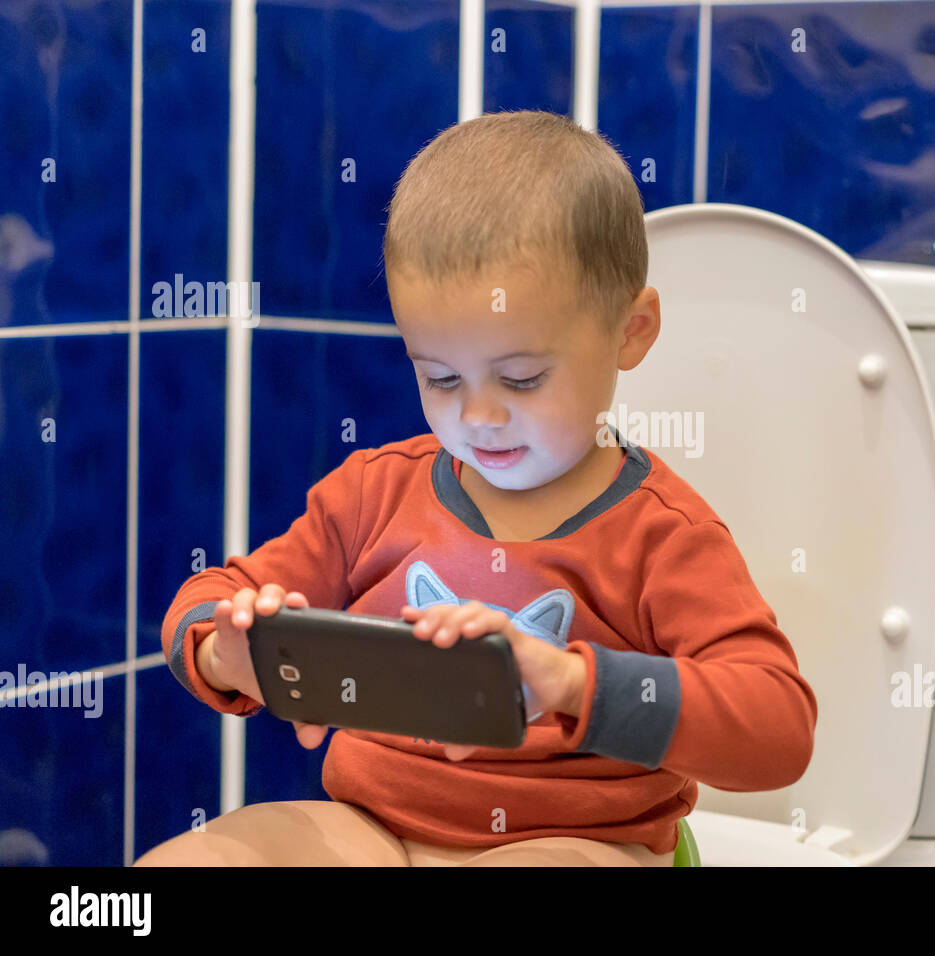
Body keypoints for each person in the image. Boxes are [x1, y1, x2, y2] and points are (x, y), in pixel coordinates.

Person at [134, 110, 817, 867]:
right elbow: (209, 598)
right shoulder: (373, 495)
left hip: (580, 841)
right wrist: (224, 654)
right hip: (377, 830)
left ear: (632, 330)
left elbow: (778, 728)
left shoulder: (664, 537)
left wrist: (564, 681)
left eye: (522, 377)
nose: (479, 416)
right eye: (440, 376)